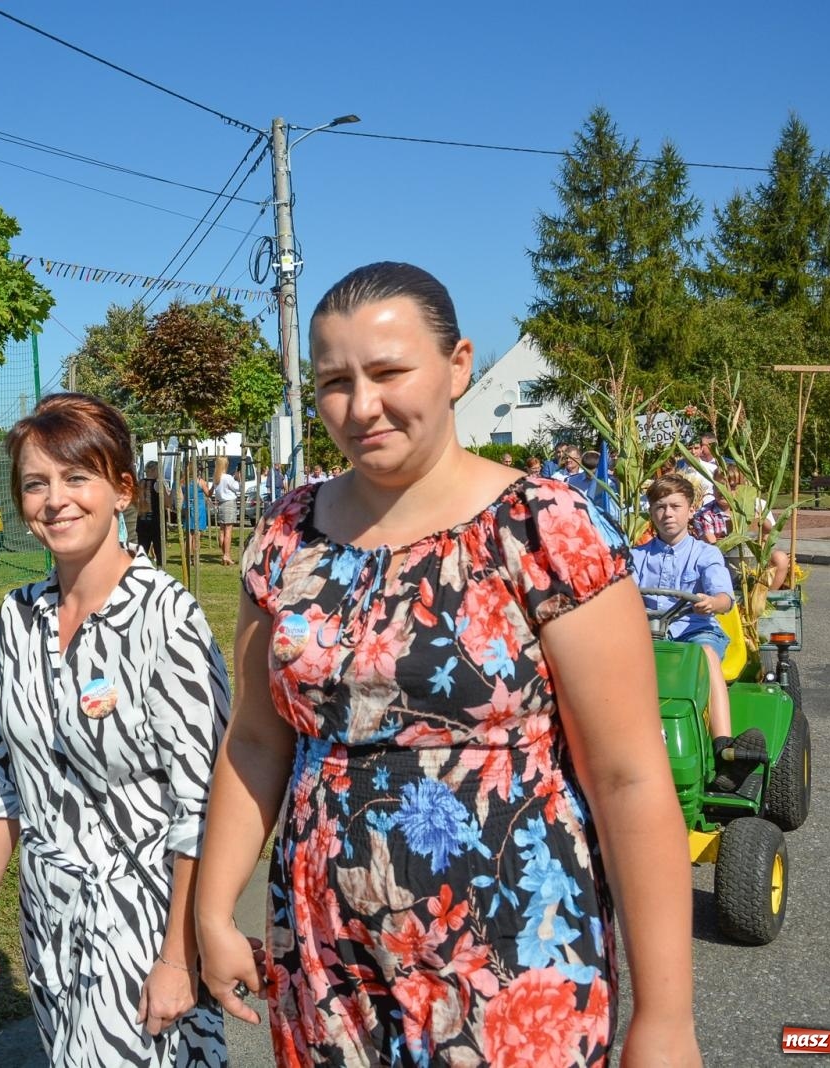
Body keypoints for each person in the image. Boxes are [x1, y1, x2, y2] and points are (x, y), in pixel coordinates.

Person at [194, 262, 699, 1066]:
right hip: (328, 967)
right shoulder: (286, 535)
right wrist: (215, 913)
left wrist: (666, 1020)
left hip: (512, 962)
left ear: (458, 365)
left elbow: (629, 777)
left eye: (389, 372)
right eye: (334, 381)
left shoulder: (545, 529)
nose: (362, 407)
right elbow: (256, 740)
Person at [0, 393, 231, 1067]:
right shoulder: (17, 618)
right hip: (47, 920)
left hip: (143, 924)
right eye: (35, 483)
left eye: (77, 477)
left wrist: (177, 956)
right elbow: (2, 775)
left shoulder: (169, 620)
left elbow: (205, 806)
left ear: (122, 490)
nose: (56, 499)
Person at [631, 474, 748, 787]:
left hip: (695, 633)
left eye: (675, 506)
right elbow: (618, 591)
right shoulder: (636, 556)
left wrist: (714, 601)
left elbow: (724, 597)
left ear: (690, 510)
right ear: (650, 512)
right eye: (659, 507)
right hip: (648, 635)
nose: (667, 513)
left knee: (704, 654)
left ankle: (723, 745)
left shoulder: (705, 554)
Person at [720, 464, 791, 590]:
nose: (727, 491)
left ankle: (767, 595)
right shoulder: (713, 510)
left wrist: (759, 518)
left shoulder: (758, 505)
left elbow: (770, 534)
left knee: (780, 558)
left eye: (733, 487)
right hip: (727, 559)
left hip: (757, 556)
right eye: (722, 487)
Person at [212, 455, 240, 566]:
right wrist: (238, 478)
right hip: (229, 504)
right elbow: (237, 488)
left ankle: (224, 554)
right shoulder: (227, 477)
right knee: (228, 531)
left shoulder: (216, 478)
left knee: (222, 530)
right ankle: (226, 555)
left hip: (221, 504)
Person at [135, 461, 164, 566]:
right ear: (154, 470)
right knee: (160, 552)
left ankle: (140, 574)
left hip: (142, 521)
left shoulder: (139, 483)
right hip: (155, 522)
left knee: (142, 552)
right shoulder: (158, 484)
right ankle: (160, 572)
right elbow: (168, 502)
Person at [181, 460, 210, 561]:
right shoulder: (200, 481)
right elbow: (208, 494)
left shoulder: (184, 481)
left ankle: (187, 558)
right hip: (198, 508)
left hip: (188, 507)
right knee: (196, 535)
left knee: (189, 535)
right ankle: (195, 559)